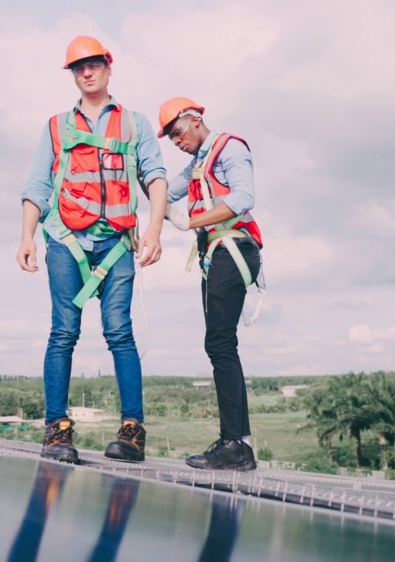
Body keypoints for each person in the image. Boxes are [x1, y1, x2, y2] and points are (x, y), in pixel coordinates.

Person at [17, 35, 168, 464]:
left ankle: (132, 431)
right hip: (66, 240)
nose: (86, 72)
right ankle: (56, 429)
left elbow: (155, 178)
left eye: (94, 64)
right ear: (73, 75)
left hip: (117, 244)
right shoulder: (55, 126)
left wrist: (154, 232)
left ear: (108, 66)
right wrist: (27, 236)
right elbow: (38, 186)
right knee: (63, 331)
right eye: (78, 67)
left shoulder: (135, 124)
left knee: (119, 331)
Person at [157, 97, 263, 471]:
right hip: (215, 255)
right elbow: (163, 192)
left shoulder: (229, 148)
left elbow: (244, 197)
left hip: (233, 249)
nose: (176, 141)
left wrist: (191, 222)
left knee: (220, 344)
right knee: (218, 344)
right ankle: (238, 442)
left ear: (195, 119)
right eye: (170, 138)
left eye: (177, 132)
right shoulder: (196, 165)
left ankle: (236, 444)